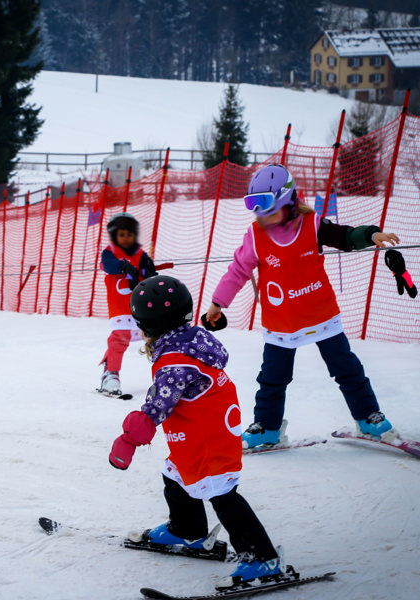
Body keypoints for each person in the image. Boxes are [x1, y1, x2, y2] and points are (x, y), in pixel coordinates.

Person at [203, 164, 401, 448]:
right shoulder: (255, 236)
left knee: (347, 370)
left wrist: (370, 235)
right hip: (281, 322)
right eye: (254, 208)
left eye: (267, 207)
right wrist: (218, 303)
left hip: (321, 316)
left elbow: (344, 237)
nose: (262, 216)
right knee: (272, 379)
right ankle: (268, 429)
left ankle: (368, 418)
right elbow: (238, 271)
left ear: (287, 200)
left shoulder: (312, 225)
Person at [110, 275, 284, 589]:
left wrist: (129, 438)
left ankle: (261, 558)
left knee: (221, 494)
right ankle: (187, 531)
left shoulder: (175, 363)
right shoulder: (190, 339)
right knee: (175, 475)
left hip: (208, 437)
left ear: (149, 326)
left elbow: (156, 406)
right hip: (200, 430)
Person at [98, 212, 158, 395]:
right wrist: (123, 266)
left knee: (155, 337)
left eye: (130, 235)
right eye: (121, 235)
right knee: (120, 338)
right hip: (120, 306)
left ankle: (165, 373)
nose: (126, 239)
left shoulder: (140, 253)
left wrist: (148, 269)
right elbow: (108, 265)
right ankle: (110, 374)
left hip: (142, 305)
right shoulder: (110, 252)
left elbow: (149, 272)